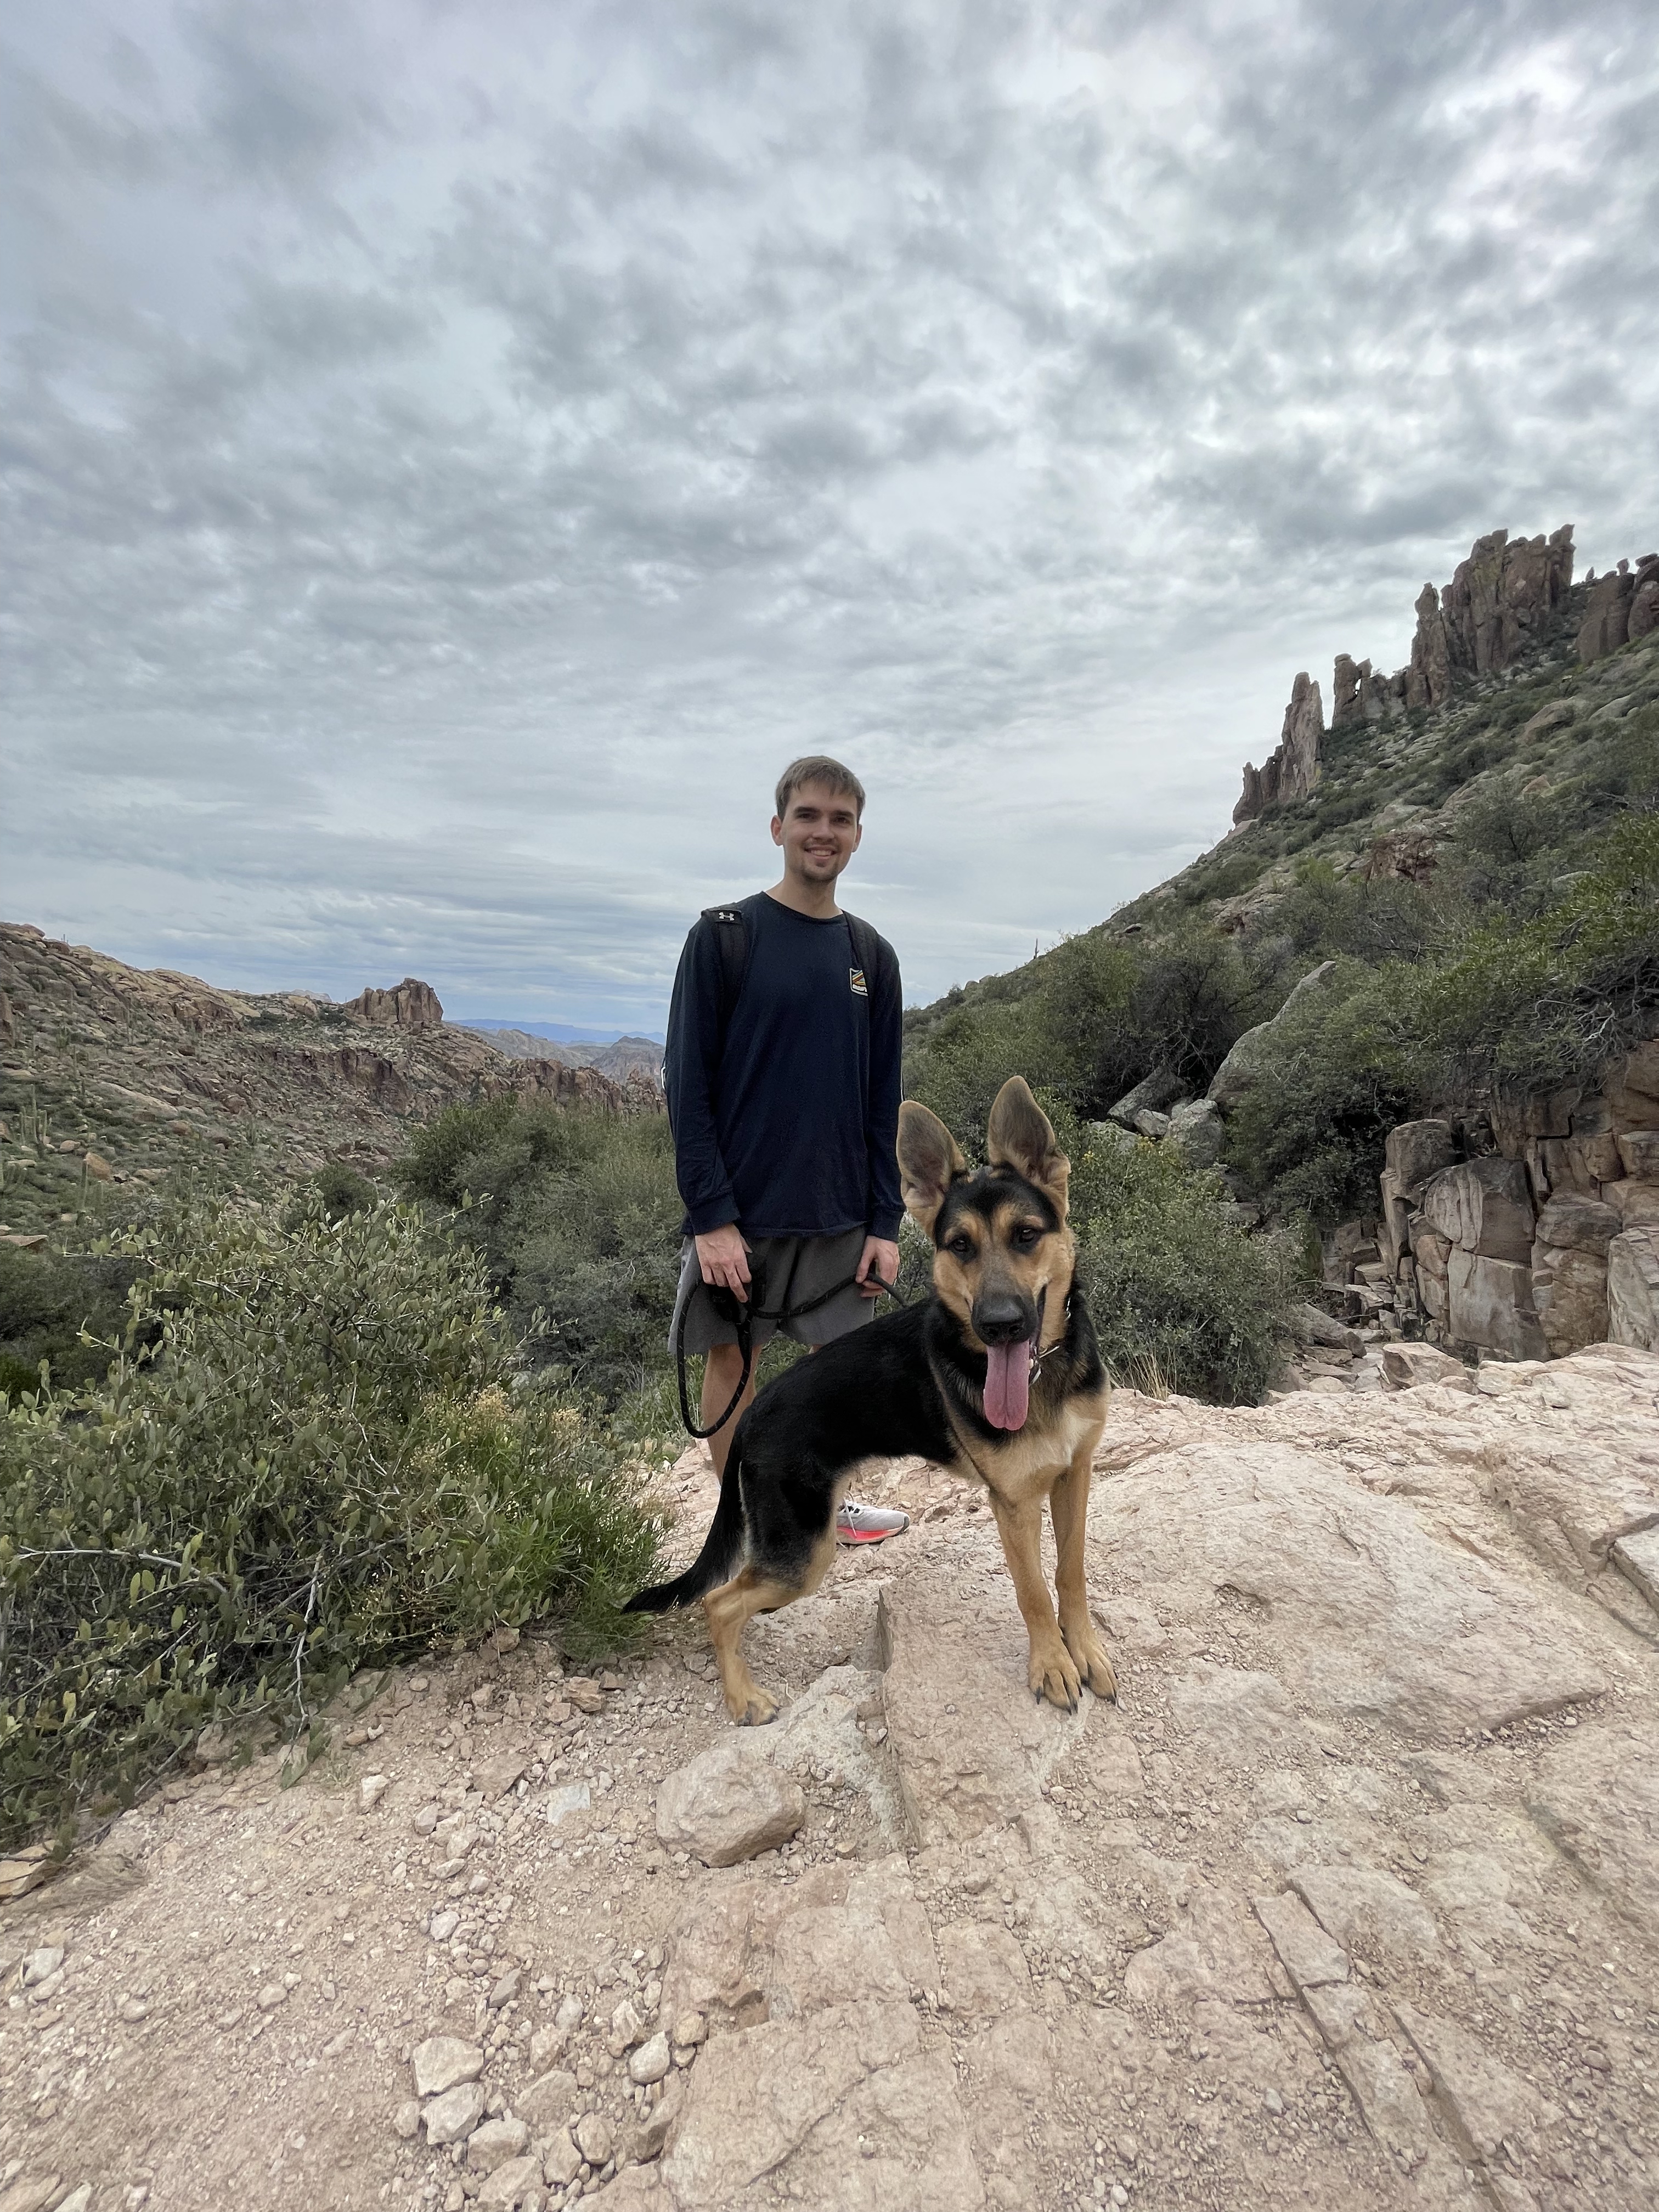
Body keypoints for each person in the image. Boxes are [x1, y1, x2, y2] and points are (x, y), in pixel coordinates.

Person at [663, 755, 910, 1545]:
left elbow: (882, 1102)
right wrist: (711, 1218)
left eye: (839, 820)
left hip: (841, 1213)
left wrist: (885, 1222)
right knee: (732, 1370)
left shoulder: (872, 956)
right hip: (744, 1213)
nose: (822, 832)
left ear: (858, 837)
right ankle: (747, 1525)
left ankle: (824, 1506)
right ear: (779, 828)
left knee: (840, 1378)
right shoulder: (724, 938)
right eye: (808, 816)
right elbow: (687, 1089)